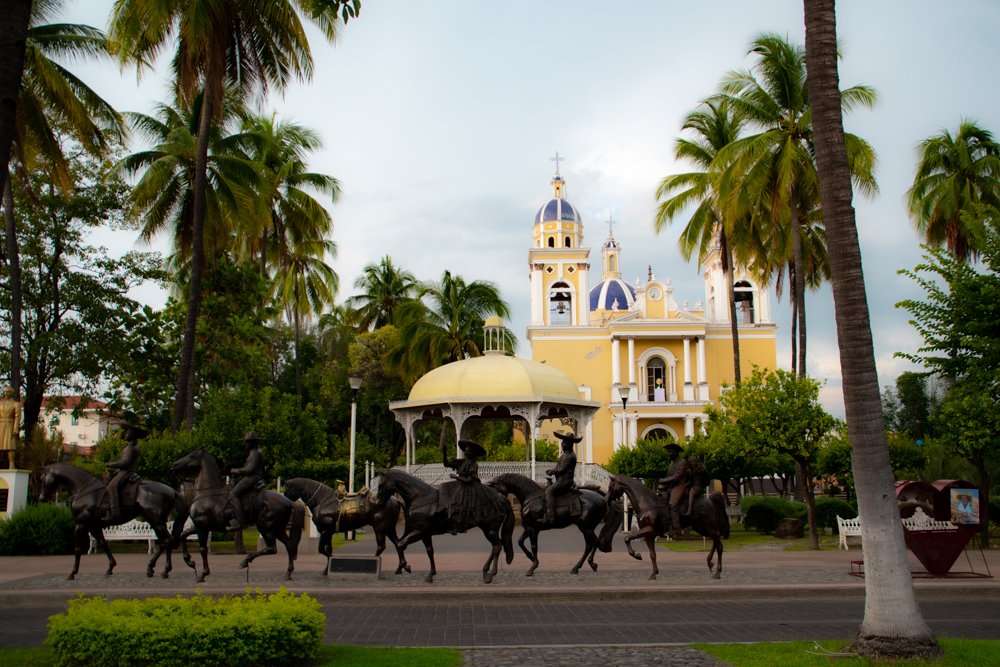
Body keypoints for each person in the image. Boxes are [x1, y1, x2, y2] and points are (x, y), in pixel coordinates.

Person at [439, 439, 492, 533]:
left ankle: (458, 524)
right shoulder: (462, 462)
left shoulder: (474, 465)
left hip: (469, 486)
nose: (466, 452)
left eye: (469, 451)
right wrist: (444, 452)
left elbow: (469, 480)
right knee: (443, 486)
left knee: (457, 499)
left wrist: (456, 477)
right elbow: (446, 464)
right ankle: (443, 507)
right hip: (460, 483)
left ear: (473, 453)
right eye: (466, 450)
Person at [104, 424, 145, 522]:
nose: (125, 434)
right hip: (126, 471)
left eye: (128, 433)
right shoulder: (131, 447)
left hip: (126, 472)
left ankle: (114, 513)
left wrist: (111, 464)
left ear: (133, 435)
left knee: (111, 486)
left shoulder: (130, 448)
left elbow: (124, 463)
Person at [228, 431, 265, 531]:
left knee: (233, 494)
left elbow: (249, 469)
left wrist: (236, 470)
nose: (246, 444)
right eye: (246, 442)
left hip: (252, 477)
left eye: (248, 442)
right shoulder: (256, 452)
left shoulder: (255, 453)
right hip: (253, 476)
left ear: (253, 443)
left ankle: (241, 521)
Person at [544, 430, 581, 524]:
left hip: (565, 481)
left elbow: (561, 469)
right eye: (562, 442)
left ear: (570, 444)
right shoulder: (566, 454)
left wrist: (552, 471)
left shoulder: (569, 456)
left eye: (564, 442)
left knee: (549, 491)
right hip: (562, 479)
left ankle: (550, 516)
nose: (562, 444)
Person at [656, 442, 687, 538]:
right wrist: (661, 486)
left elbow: (676, 477)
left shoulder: (682, 462)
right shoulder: (671, 464)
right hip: (670, 487)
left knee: (672, 505)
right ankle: (664, 527)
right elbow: (669, 477)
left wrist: (663, 480)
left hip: (679, 486)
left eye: (669, 452)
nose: (667, 454)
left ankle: (677, 529)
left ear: (675, 452)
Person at [0, 387, 22, 469]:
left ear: (11, 393)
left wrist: (16, 428)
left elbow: (17, 416)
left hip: (10, 425)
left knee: (10, 446)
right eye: (5, 392)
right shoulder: (0, 403)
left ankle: (11, 464)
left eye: (8, 392)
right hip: (1, 425)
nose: (6, 394)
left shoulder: (16, 404)